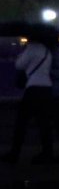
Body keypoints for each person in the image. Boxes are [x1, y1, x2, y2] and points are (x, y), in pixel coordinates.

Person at [2, 33, 55, 164]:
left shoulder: (31, 49)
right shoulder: (47, 50)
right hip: (47, 88)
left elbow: (19, 65)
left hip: (33, 89)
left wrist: (20, 55)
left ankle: (14, 153)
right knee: (44, 123)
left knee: (21, 121)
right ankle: (47, 152)